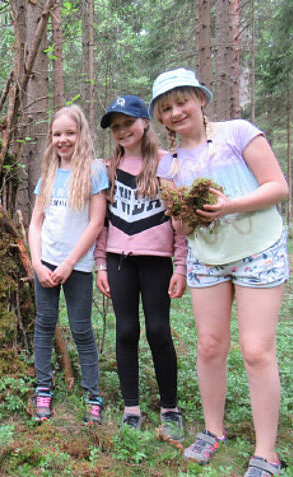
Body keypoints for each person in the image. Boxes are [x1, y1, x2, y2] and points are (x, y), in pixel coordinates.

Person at [150, 68, 289, 477]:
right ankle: (213, 431)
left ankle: (267, 453)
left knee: (256, 350)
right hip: (208, 259)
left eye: (182, 102)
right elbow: (179, 225)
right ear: (160, 117)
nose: (176, 112)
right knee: (210, 345)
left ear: (200, 99)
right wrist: (188, 219)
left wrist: (228, 206)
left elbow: (278, 186)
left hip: (258, 249)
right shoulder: (169, 165)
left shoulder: (238, 133)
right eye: (167, 108)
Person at [94, 95, 187, 444]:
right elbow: (102, 222)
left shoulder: (167, 165)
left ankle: (170, 409)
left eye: (127, 123)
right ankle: (131, 408)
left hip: (157, 261)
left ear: (145, 122)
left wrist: (180, 265)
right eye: (115, 127)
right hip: (119, 260)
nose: (122, 131)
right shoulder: (107, 170)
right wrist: (101, 264)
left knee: (159, 331)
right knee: (126, 331)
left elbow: (180, 221)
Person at [28, 104, 108, 425]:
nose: (63, 139)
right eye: (57, 134)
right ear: (51, 138)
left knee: (81, 329)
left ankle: (93, 395)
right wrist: (37, 263)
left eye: (70, 133)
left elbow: (96, 223)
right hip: (45, 263)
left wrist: (70, 263)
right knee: (45, 325)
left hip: (78, 267)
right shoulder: (47, 175)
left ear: (81, 134)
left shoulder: (92, 172)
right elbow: (36, 223)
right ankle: (43, 388)